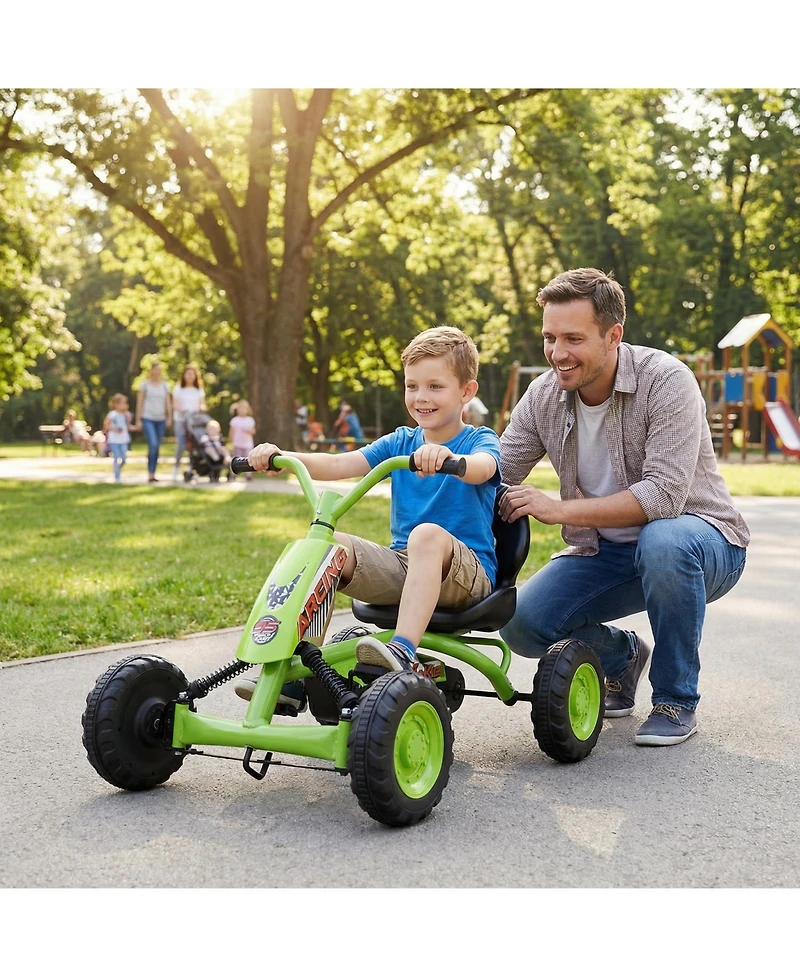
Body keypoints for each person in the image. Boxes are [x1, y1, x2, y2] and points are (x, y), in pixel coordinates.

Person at [497, 268, 750, 747]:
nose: (557, 353)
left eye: (573, 338)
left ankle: (676, 700)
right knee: (522, 624)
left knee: (664, 540)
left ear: (614, 335)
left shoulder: (666, 380)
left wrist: (559, 510)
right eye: (550, 337)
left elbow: (662, 498)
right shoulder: (544, 396)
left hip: (702, 543)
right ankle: (623, 658)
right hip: (606, 553)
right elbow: (500, 473)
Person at [245, 325, 501, 686]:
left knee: (426, 535)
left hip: (466, 575)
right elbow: (339, 464)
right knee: (327, 547)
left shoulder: (479, 439)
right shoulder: (401, 441)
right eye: (412, 386)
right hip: (406, 566)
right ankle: (293, 672)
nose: (420, 397)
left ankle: (402, 651)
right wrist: (281, 456)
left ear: (466, 392)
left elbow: (483, 468)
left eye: (435, 387)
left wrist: (449, 458)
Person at [135, 363, 172, 483]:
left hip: (161, 419)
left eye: (158, 370)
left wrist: (169, 417)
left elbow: (168, 403)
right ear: (150, 371)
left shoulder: (165, 386)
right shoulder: (144, 385)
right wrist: (138, 419)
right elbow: (139, 403)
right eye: (154, 370)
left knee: (156, 447)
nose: (156, 372)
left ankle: (153, 473)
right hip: (147, 418)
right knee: (153, 444)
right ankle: (150, 473)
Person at [172, 365, 206, 481]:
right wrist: (181, 410)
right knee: (181, 445)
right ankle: (176, 467)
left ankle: (191, 468)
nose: (190, 376)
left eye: (192, 374)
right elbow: (175, 404)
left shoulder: (198, 390)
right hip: (181, 420)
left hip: (194, 421)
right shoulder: (178, 389)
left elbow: (202, 403)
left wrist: (201, 408)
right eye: (188, 374)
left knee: (194, 446)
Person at [103, 394, 132, 483]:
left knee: (123, 457)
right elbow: (106, 426)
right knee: (116, 457)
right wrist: (114, 429)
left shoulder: (126, 415)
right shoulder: (112, 414)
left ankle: (117, 469)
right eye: (123, 403)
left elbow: (127, 426)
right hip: (114, 440)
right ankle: (117, 476)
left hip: (123, 439)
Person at [229, 399, 256, 480]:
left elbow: (253, 431)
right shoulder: (235, 420)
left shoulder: (250, 420)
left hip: (247, 444)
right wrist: (231, 441)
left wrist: (249, 430)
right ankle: (233, 473)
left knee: (248, 459)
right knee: (235, 459)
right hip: (237, 444)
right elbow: (231, 431)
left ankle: (248, 475)